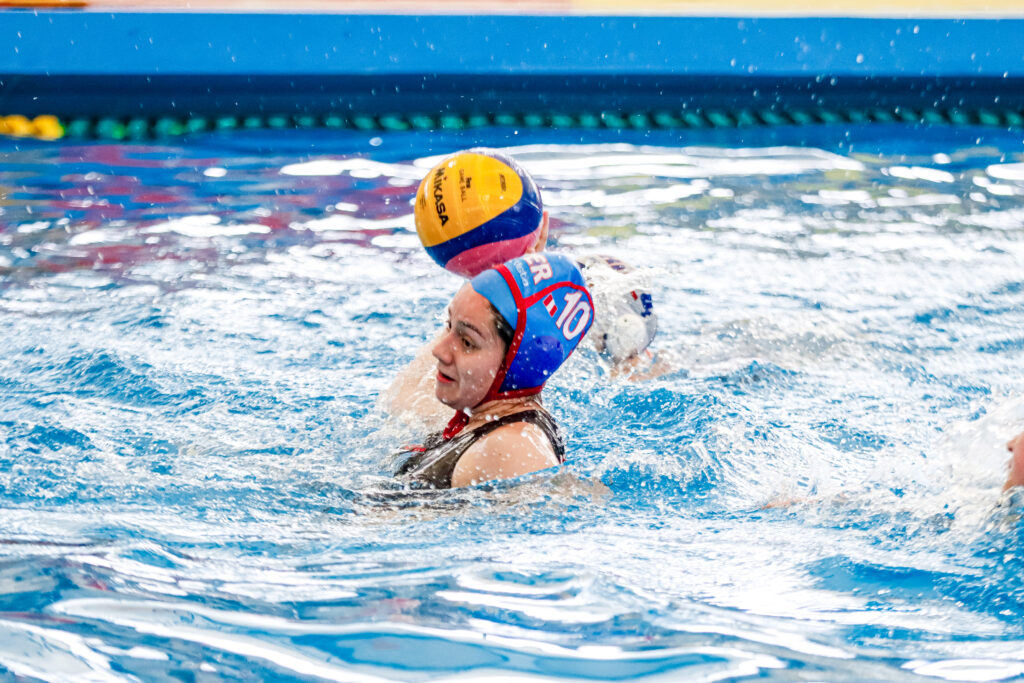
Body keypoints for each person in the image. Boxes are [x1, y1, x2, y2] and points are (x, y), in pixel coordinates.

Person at [392, 253, 594, 489]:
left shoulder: (511, 450)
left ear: (519, 364)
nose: (439, 350)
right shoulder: (486, 421)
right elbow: (402, 399)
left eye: (467, 342)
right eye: (449, 325)